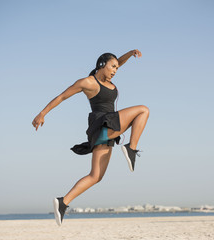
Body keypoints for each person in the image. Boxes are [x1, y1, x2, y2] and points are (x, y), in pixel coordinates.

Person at [32, 49, 149, 226]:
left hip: (106, 131)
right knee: (143, 110)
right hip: (104, 124)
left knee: (96, 176)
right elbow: (63, 96)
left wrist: (129, 54)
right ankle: (130, 149)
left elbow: (119, 62)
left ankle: (63, 202)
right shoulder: (88, 82)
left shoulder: (109, 76)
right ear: (102, 65)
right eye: (112, 67)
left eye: (117, 68)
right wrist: (42, 113)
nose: (115, 71)